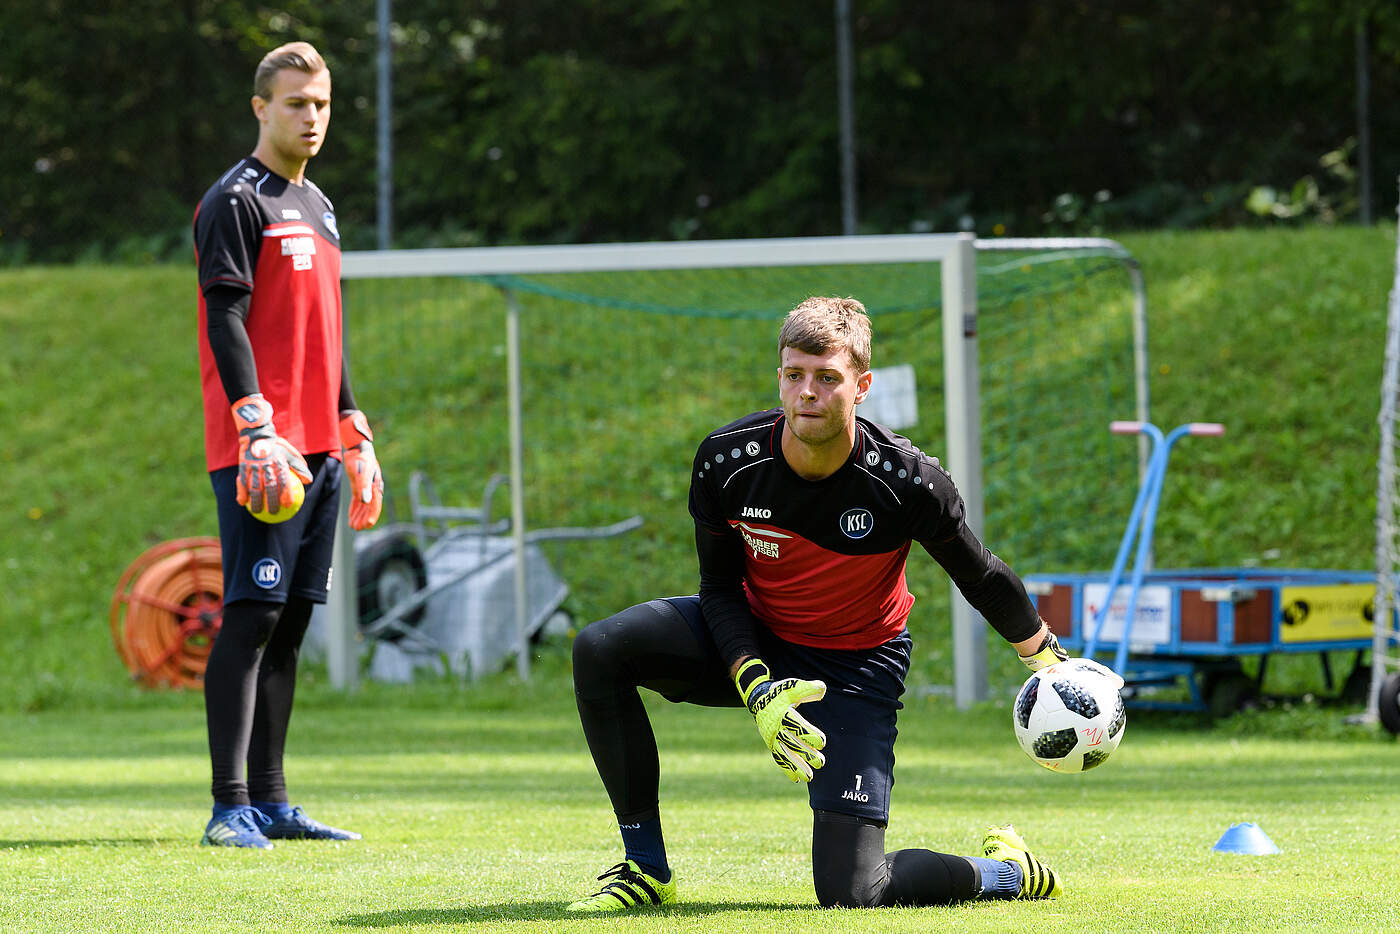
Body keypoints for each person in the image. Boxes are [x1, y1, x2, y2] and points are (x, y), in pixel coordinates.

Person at [567, 296, 1069, 910]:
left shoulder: (908, 481)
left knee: (854, 891)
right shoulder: (727, 461)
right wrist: (755, 685)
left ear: (861, 386)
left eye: (828, 377)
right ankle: (645, 868)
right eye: (794, 374)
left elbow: (981, 575)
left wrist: (1047, 660)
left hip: (856, 664)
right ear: (780, 376)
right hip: (755, 636)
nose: (808, 392)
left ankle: (1007, 872)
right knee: (601, 649)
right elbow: (719, 588)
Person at [193, 41, 385, 849]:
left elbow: (326, 335)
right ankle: (228, 806)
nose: (312, 117)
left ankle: (272, 801)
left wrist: (354, 431)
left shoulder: (320, 205)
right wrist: (255, 423)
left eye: (322, 103)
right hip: (262, 452)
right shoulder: (235, 201)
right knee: (252, 614)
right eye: (296, 103)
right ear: (261, 108)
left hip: (321, 450)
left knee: (293, 622)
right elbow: (225, 315)